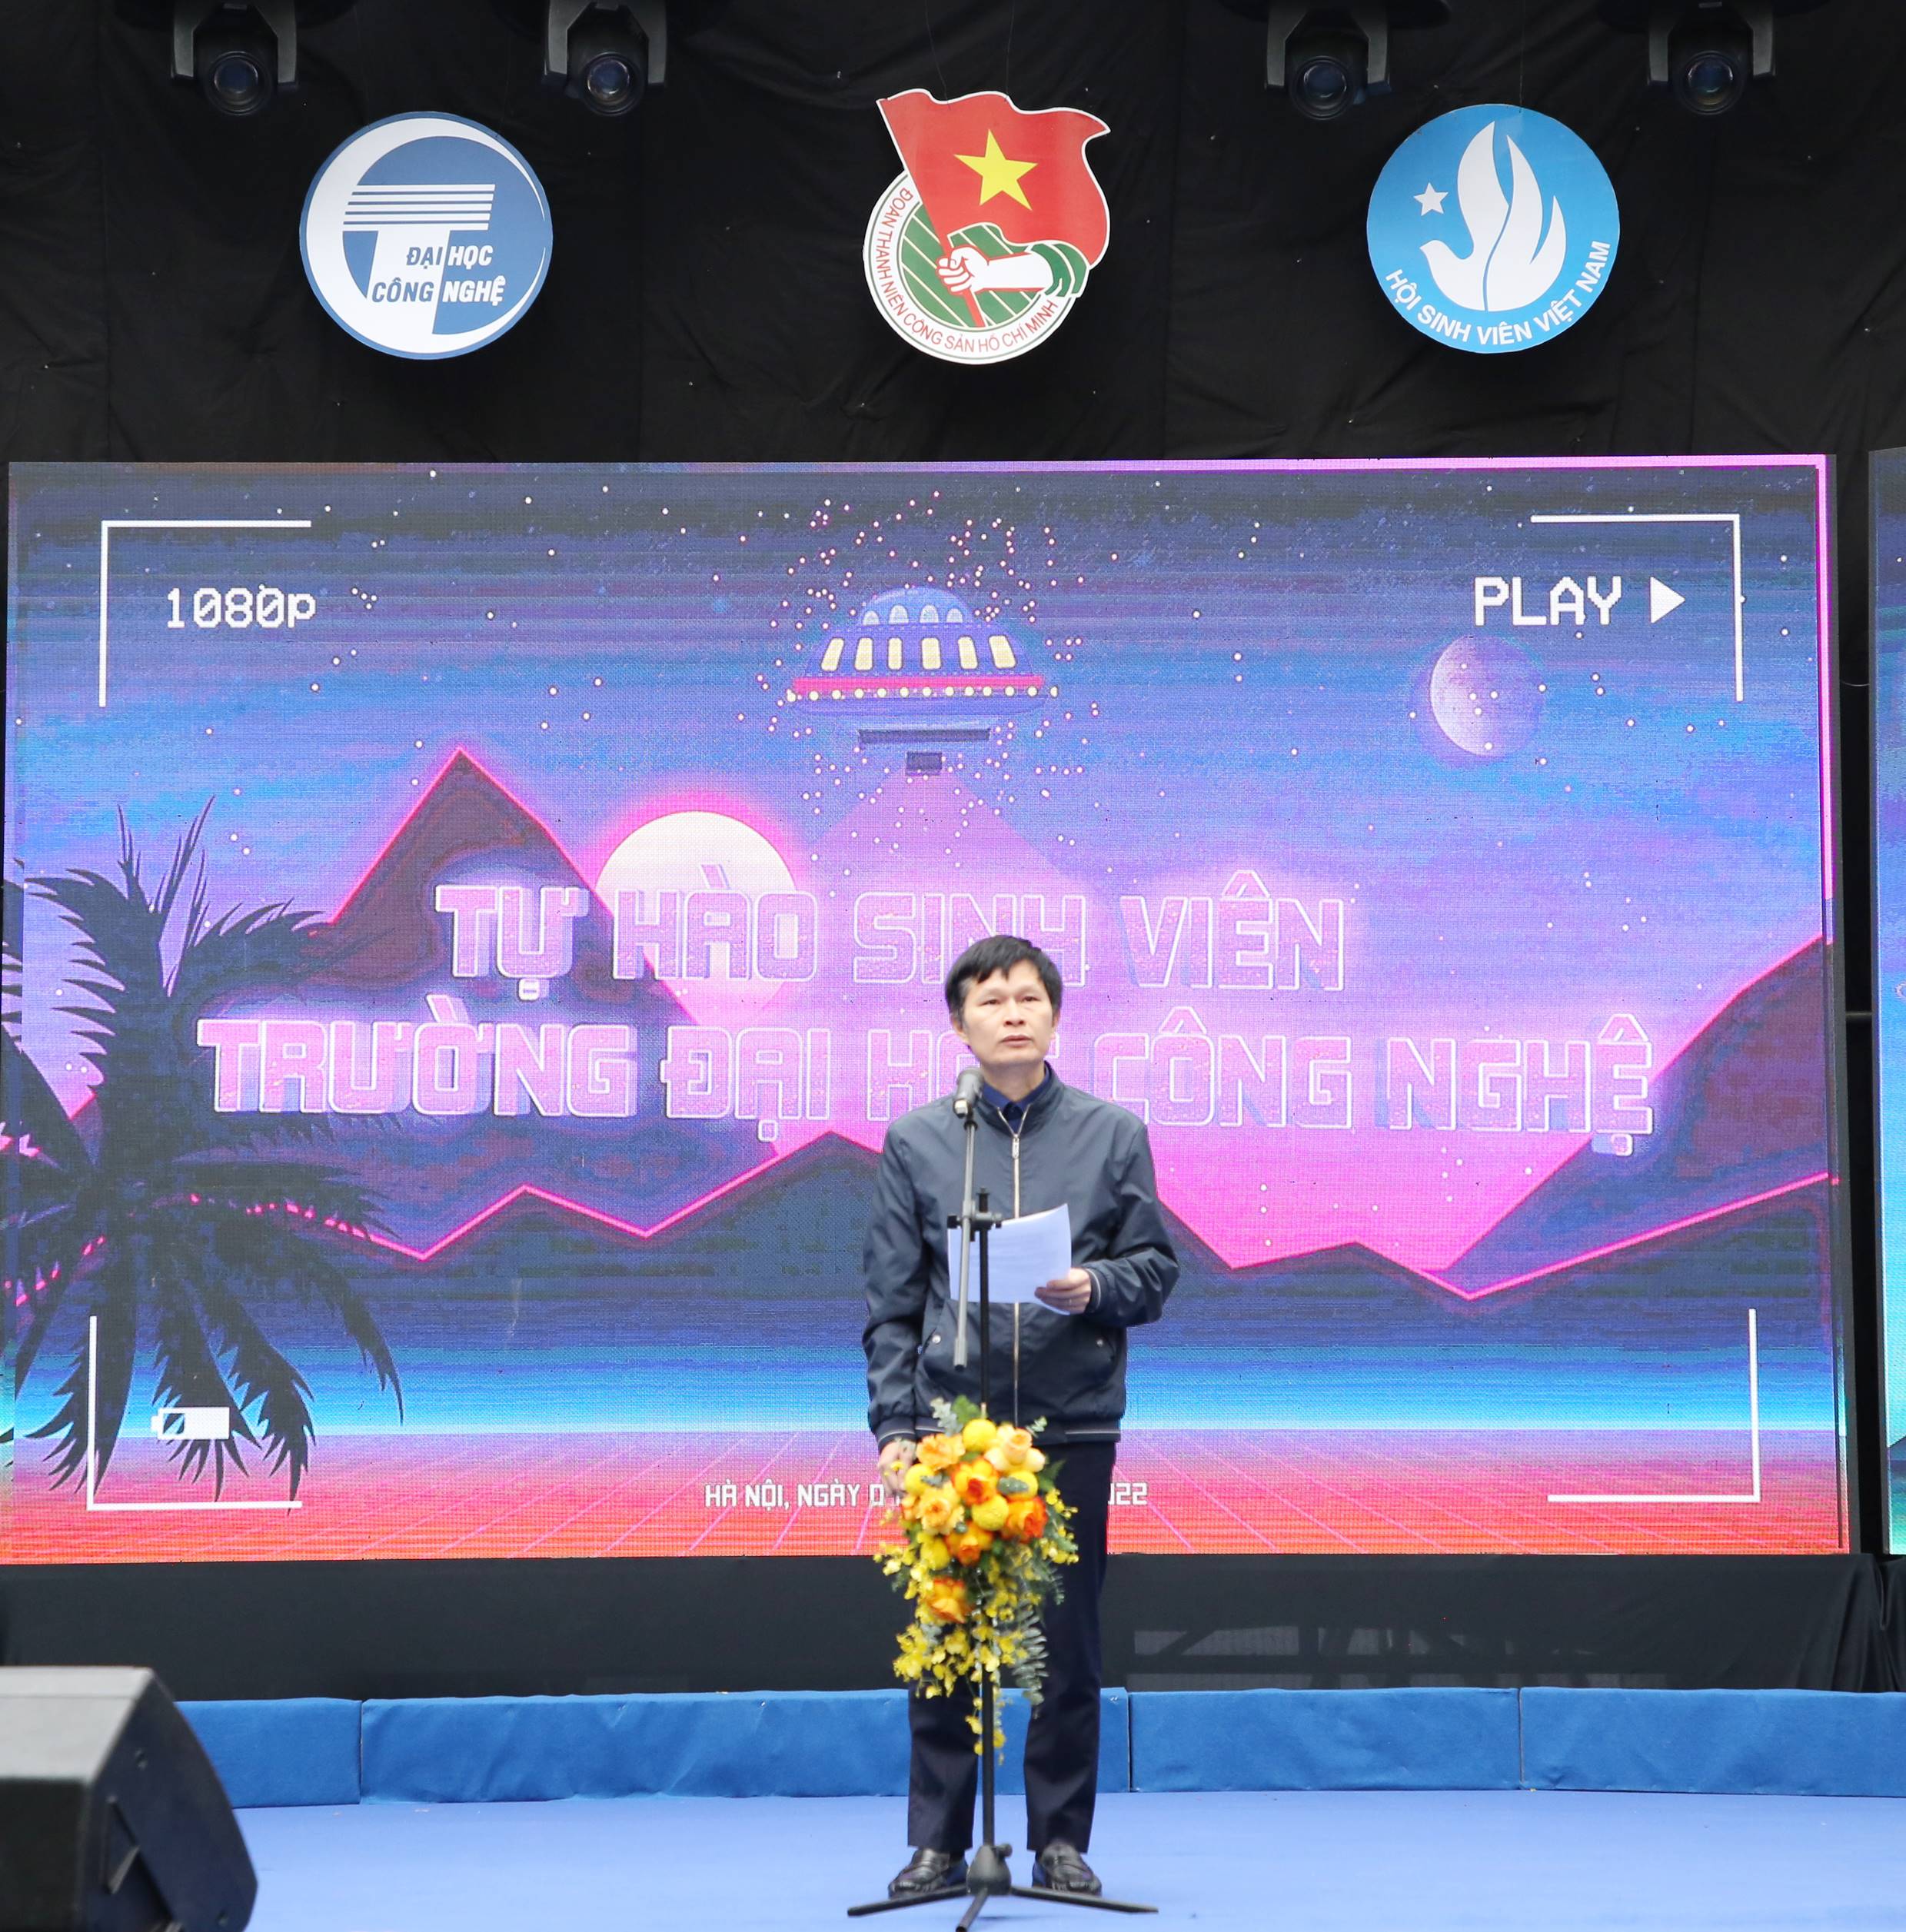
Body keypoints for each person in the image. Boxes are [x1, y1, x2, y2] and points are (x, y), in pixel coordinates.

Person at [863, 933, 1179, 1900]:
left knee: (1063, 1647)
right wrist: (896, 1427)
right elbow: (892, 1302)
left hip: (1068, 1421)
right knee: (947, 1639)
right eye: (992, 999)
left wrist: (1095, 1285)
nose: (1012, 1013)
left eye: (1029, 997)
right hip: (952, 1430)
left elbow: (1154, 1267)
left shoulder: (1111, 1133)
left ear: (1054, 1015)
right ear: (959, 1024)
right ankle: (937, 1843)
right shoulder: (920, 1139)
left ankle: (1059, 1841)